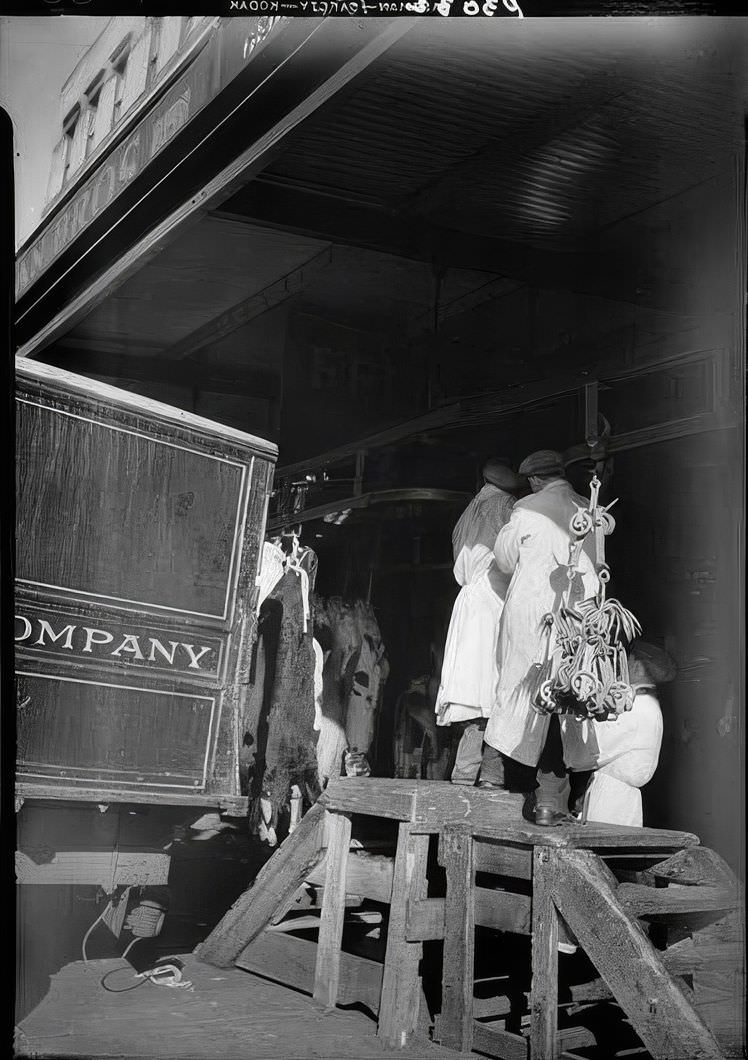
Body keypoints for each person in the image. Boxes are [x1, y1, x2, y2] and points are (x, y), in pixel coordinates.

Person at [481, 450, 600, 822]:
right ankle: (551, 798)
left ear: (534, 480)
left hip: (532, 613)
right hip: (577, 618)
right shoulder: (588, 508)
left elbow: (503, 559)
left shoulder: (527, 508)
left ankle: (493, 777)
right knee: (564, 699)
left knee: (518, 690)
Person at [435, 458, 526, 785]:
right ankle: (482, 776)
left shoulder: (470, 510)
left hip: (470, 602)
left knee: (475, 693)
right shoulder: (506, 505)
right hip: (493, 601)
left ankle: (475, 774)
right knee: (491, 692)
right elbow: (514, 557)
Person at [562, 641, 676, 827]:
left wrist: (570, 711)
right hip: (613, 796)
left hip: (613, 801)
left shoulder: (639, 708)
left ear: (637, 667)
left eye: (626, 662)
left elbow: (587, 754)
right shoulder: (643, 703)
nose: (620, 669)